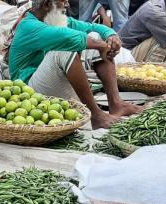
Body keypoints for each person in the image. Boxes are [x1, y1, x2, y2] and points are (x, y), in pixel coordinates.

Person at [8, 0, 143, 129]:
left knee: (96, 36)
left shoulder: (54, 20)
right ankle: (96, 115)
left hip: (50, 84)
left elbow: (92, 27)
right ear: (47, 4)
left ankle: (116, 103)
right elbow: (68, 37)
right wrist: (102, 47)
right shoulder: (28, 26)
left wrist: (111, 36)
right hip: (28, 91)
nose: (67, 4)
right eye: (62, 1)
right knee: (64, 51)